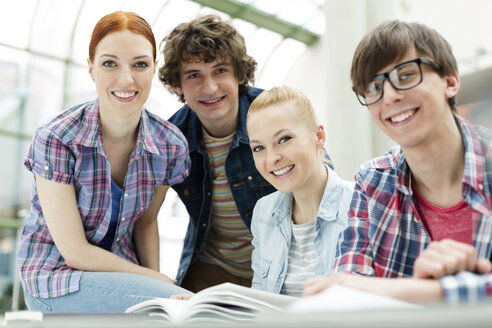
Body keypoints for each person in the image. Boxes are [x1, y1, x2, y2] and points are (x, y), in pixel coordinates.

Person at [304, 20, 492, 304]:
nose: (389, 96)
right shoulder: (372, 181)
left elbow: (355, 288)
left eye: (405, 75)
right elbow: (346, 297)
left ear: (450, 81)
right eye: (373, 87)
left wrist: (427, 293)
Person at [17, 11, 191, 313]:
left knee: (173, 309)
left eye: (140, 64)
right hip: (54, 278)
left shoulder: (169, 145)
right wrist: (158, 283)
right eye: (110, 63)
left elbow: (146, 222)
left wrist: (161, 291)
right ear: (91, 69)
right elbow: (75, 253)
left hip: (122, 275)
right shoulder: (57, 138)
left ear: (153, 70)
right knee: (183, 306)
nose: (127, 79)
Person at [157, 14, 278, 292]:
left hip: (279, 265)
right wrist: (155, 286)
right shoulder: (171, 138)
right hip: (211, 268)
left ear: (239, 74)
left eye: (220, 70)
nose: (210, 87)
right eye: (194, 75)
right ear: (178, 85)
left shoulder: (274, 113)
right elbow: (145, 217)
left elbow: (321, 186)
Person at [246, 86, 353, 297]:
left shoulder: (361, 206)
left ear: (319, 137)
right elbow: (259, 300)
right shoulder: (264, 211)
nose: (271, 158)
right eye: (259, 148)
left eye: (284, 139)